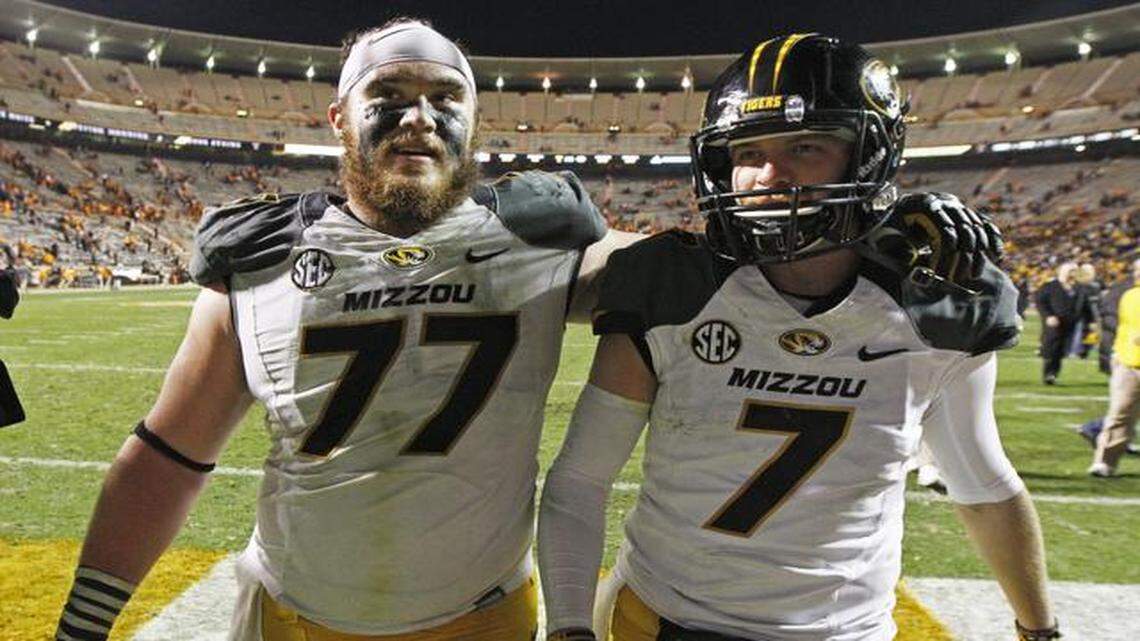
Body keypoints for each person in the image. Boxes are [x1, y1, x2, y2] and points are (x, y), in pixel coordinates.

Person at [54, 21, 1004, 641]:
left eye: (445, 100)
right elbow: (167, 455)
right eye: (389, 96)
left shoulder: (541, 238)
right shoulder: (259, 252)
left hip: (484, 615)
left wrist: (876, 216)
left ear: (478, 123)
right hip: (292, 613)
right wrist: (81, 627)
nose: (417, 117)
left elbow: (719, 262)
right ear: (338, 114)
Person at [538, 35, 1056, 641]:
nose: (768, 176)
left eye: (805, 147)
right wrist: (570, 628)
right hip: (662, 619)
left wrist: (1039, 629)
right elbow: (580, 479)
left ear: (869, 155)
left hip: (845, 631)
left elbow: (984, 485)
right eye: (747, 150)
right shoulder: (671, 285)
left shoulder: (937, 297)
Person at [1089, 257, 1140, 478]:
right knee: (1119, 414)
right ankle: (1104, 462)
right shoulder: (1129, 296)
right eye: (1137, 270)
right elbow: (1124, 327)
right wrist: (1118, 354)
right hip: (1128, 363)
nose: (1137, 274)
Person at [1035, 261, 1094, 384]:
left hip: (1072, 323)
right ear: (1062, 272)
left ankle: (1053, 374)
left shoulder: (1079, 287)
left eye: (1075, 270)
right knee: (1052, 348)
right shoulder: (1050, 286)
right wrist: (1048, 315)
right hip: (1055, 323)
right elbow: (1040, 301)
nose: (1073, 273)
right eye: (1071, 270)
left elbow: (1086, 306)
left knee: (1062, 350)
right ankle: (1049, 375)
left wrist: (1091, 321)